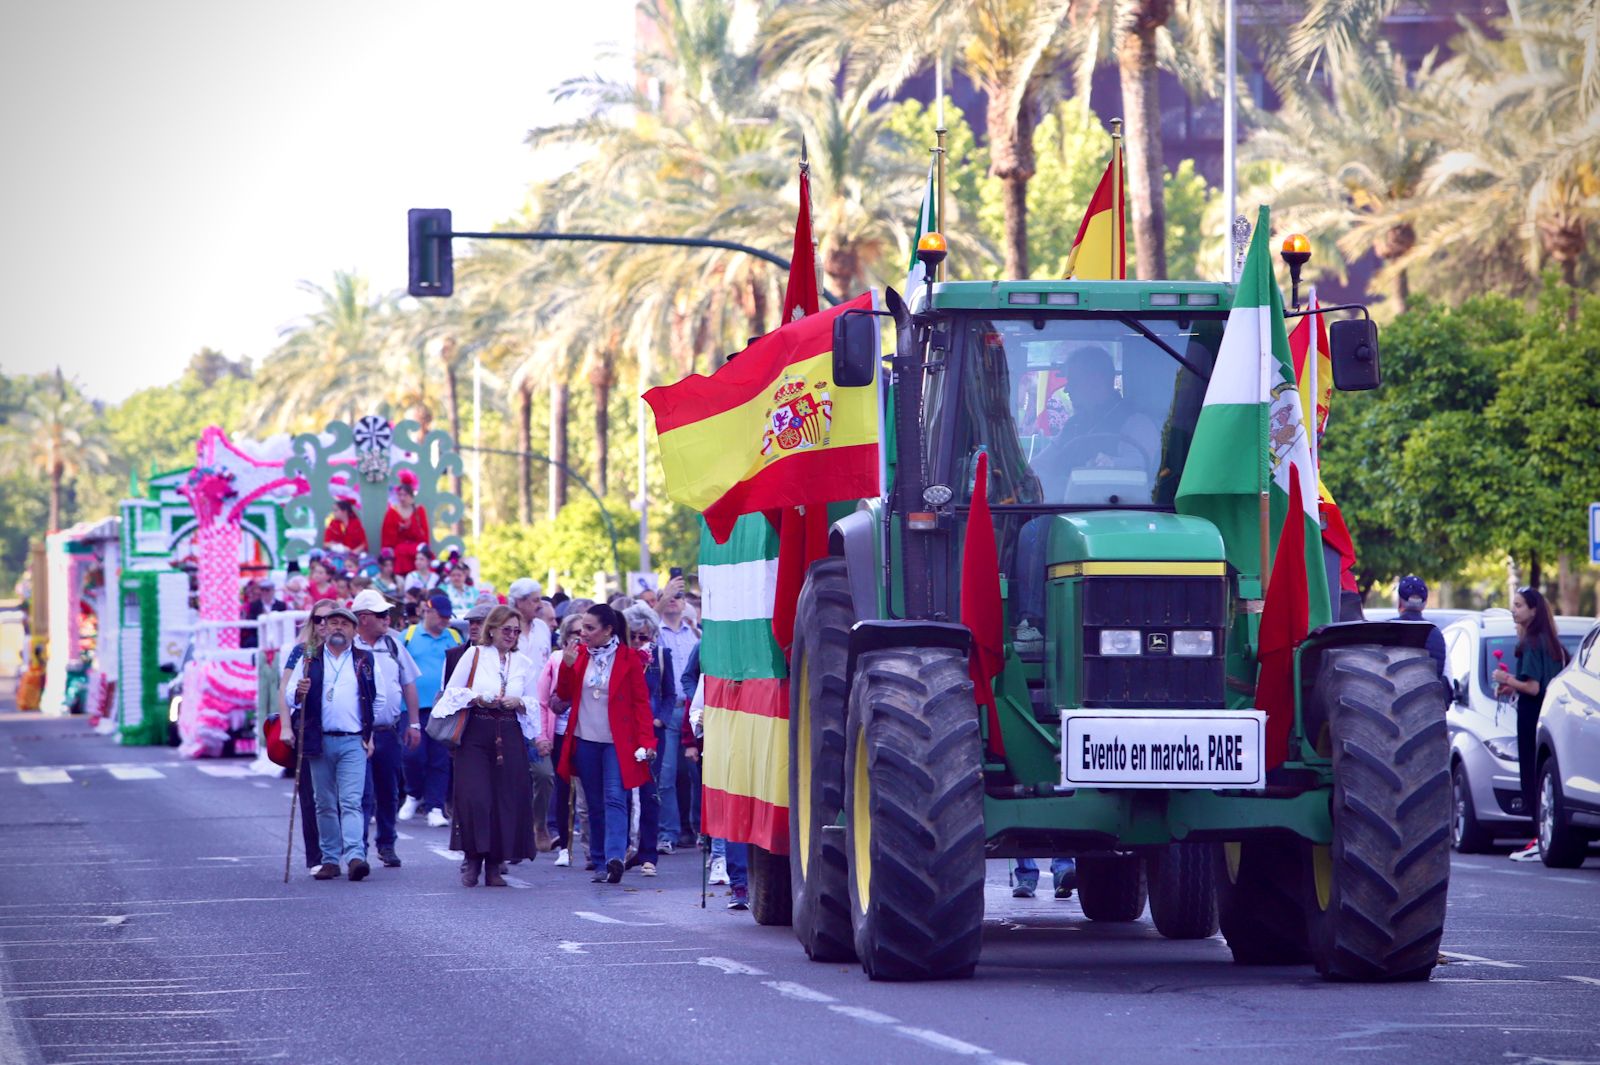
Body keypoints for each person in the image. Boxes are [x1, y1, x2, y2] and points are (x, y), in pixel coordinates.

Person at [432, 605, 540, 886]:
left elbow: (533, 702)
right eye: (507, 630)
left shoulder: (522, 663)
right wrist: (479, 697)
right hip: (477, 732)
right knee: (475, 797)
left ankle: (495, 863)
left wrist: (519, 702)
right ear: (492, 629)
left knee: (505, 797)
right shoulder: (475, 655)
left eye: (516, 631)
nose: (511, 635)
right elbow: (451, 693)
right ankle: (473, 858)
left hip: (509, 732)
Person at [556, 604, 656, 884]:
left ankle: (615, 857)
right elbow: (563, 694)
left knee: (615, 797)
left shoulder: (629, 658)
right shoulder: (579, 655)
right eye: (581, 628)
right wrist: (566, 665)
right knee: (595, 802)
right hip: (585, 740)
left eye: (590, 628)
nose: (583, 633)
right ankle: (599, 861)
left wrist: (648, 742)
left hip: (616, 742)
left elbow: (641, 704)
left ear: (608, 630)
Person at [281, 606, 378, 881]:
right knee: (323, 802)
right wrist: (299, 692)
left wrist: (368, 734)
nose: (337, 627)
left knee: (350, 801)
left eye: (344, 624)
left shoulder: (364, 660)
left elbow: (376, 699)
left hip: (352, 741)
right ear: (324, 627)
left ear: (354, 630)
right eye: (332, 623)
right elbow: (290, 697)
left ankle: (356, 856)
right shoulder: (310, 658)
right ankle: (330, 859)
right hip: (319, 740)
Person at [1492, 586, 1569, 862]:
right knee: (1543, 778)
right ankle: (1543, 836)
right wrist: (1515, 686)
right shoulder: (1553, 644)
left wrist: (1506, 681)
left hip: (1531, 714)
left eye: (1519, 605)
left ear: (1534, 610)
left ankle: (1539, 839)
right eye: (1513, 605)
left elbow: (1534, 687)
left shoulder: (1532, 643)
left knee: (1531, 778)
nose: (1514, 610)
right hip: (1549, 716)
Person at [351, 590, 422, 868]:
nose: (387, 619)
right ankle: (359, 848)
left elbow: (408, 683)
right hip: (358, 734)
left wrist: (414, 723)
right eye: (381, 615)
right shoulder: (349, 646)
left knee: (389, 789)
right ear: (364, 618)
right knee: (363, 792)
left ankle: (387, 843)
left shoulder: (392, 643)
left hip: (388, 730)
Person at [680, 671, 748, 910]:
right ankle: (740, 885)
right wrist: (702, 723)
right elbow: (695, 710)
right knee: (734, 819)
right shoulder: (714, 668)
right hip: (726, 752)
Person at [279, 600, 337, 876]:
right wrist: (286, 727)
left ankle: (341, 853)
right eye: (319, 619)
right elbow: (285, 689)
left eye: (330, 619)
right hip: (309, 726)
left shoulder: (347, 652)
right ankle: (316, 855)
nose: (324, 625)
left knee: (343, 796)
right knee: (311, 795)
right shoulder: (303, 651)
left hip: (341, 729)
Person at [399, 593, 464, 828]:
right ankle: (414, 793)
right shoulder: (407, 636)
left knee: (439, 758)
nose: (446, 621)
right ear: (429, 611)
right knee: (412, 755)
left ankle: (435, 806)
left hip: (443, 708)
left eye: (448, 617)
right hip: (411, 707)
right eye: (442, 616)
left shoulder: (454, 636)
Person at [508, 579, 555, 849]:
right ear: (519, 602)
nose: (539, 605)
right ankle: (516, 831)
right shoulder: (507, 628)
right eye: (535, 600)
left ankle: (539, 823)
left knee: (544, 774)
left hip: (537, 714)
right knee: (512, 777)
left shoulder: (541, 629)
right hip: (509, 711)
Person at [654, 576, 698, 848]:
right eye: (668, 595)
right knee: (666, 773)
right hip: (668, 709)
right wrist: (661, 598)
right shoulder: (653, 630)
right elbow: (641, 621)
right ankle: (667, 833)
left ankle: (695, 829)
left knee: (694, 774)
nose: (673, 599)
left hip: (692, 708)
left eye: (678, 596)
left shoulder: (695, 632)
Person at [623, 604, 666, 877]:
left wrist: (660, 718)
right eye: (634, 636)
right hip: (626, 731)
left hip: (652, 732)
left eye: (644, 637)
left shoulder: (661, 657)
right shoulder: (622, 658)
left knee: (651, 793)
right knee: (624, 791)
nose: (639, 641)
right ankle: (625, 849)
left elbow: (670, 692)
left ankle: (649, 853)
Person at [539, 614, 584, 867]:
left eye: (584, 631)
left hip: (587, 732)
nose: (579, 636)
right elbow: (544, 701)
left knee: (589, 793)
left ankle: (592, 847)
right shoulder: (555, 660)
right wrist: (543, 736)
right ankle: (564, 847)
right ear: (565, 636)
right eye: (574, 632)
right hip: (561, 731)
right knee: (564, 788)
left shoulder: (595, 660)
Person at [1391, 574, 1447, 682]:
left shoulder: (1385, 629)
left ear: (1400, 601)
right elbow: (1444, 675)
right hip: (1428, 695)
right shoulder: (1435, 632)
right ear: (1424, 604)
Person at [382, 472, 429, 577]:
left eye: (405, 495)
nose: (402, 498)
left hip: (415, 546)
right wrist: (399, 529)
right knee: (401, 551)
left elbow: (423, 533)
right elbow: (388, 536)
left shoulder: (419, 511)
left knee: (418, 553)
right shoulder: (393, 512)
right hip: (399, 546)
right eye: (400, 495)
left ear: (411, 496)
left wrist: (411, 528)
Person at [241, 578, 285, 650]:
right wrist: (262, 617)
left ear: (273, 591)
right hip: (259, 635)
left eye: (267, 590)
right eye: (262, 590)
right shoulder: (254, 605)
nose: (264, 592)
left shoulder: (281, 605)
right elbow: (251, 621)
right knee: (250, 642)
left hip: (277, 635)